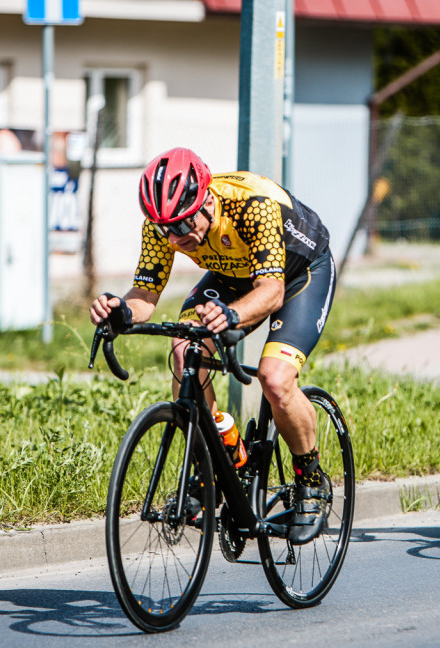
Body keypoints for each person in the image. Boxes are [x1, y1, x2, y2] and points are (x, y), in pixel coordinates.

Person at [90, 147, 335, 543]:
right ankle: (221, 457)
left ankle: (311, 478)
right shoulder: (161, 226)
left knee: (274, 380)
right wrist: (120, 311)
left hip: (298, 274)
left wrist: (235, 317)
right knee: (185, 350)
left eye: (184, 223)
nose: (177, 237)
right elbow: (145, 295)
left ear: (205, 199)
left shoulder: (251, 205)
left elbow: (271, 292)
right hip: (233, 274)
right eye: (167, 228)